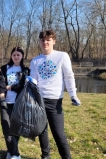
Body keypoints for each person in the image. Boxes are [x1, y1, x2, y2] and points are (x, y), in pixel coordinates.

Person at [29, 29, 81, 159]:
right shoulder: (35, 61)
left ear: (53, 41)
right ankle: (45, 156)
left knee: (59, 133)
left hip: (55, 101)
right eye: (42, 40)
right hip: (39, 100)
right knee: (42, 131)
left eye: (48, 40)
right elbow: (34, 80)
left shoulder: (62, 56)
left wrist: (73, 95)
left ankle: (66, 157)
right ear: (39, 42)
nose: (45, 42)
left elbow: (68, 76)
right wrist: (30, 82)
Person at [0, 46, 30, 159]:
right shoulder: (5, 68)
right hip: (5, 102)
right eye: (14, 55)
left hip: (19, 103)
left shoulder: (26, 70)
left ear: (22, 56)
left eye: (18, 55)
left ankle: (11, 151)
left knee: (16, 128)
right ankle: (15, 153)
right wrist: (2, 97)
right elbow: (0, 84)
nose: (16, 57)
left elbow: (24, 86)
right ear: (11, 56)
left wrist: (11, 86)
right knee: (6, 126)